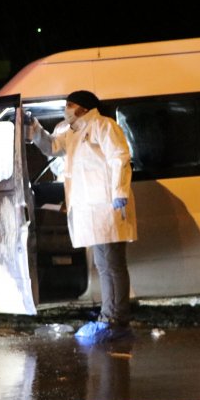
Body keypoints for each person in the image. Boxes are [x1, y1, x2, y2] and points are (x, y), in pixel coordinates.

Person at [27, 90, 137, 343]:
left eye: (70, 104)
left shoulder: (103, 126)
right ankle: (109, 316)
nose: (66, 109)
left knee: (113, 265)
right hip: (92, 211)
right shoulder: (72, 132)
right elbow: (52, 147)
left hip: (108, 208)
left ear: (84, 107)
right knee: (104, 266)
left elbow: (119, 158)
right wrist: (34, 128)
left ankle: (117, 319)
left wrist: (120, 192)